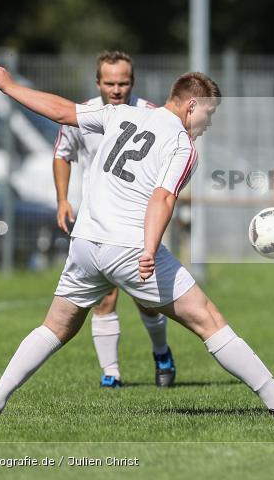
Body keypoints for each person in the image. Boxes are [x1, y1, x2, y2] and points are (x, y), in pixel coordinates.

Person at [0, 65, 274, 417]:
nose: (210, 122)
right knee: (208, 319)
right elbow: (163, 199)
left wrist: (9, 87)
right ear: (191, 106)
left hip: (85, 243)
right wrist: (150, 249)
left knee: (56, 327)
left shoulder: (120, 114)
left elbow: (62, 111)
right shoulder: (182, 146)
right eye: (210, 112)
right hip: (128, 246)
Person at [53, 50, 176, 389]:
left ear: (132, 82)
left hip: (137, 221)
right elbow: (62, 155)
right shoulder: (86, 114)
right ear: (98, 82)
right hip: (97, 223)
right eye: (110, 83)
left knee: (148, 299)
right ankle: (112, 373)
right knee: (104, 297)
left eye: (123, 83)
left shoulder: (152, 114)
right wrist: (63, 199)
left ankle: (161, 352)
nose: (117, 89)